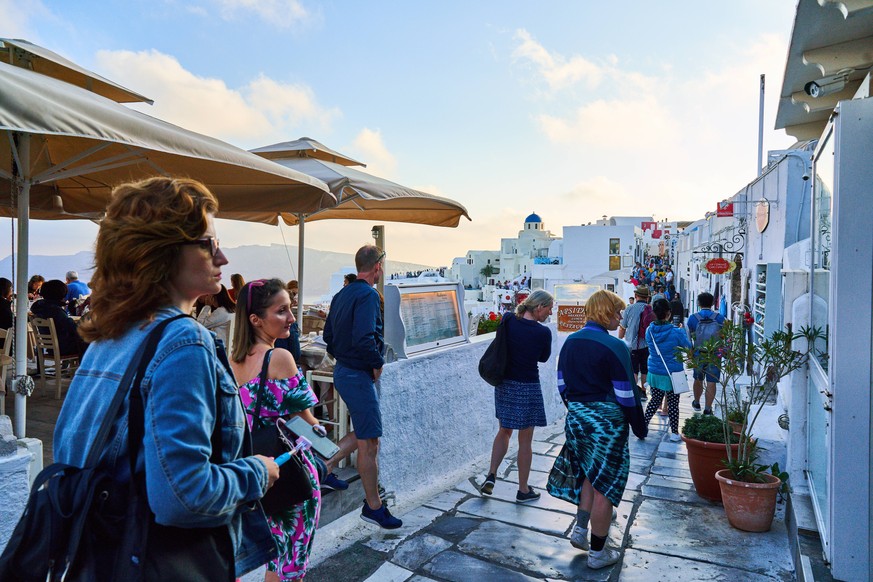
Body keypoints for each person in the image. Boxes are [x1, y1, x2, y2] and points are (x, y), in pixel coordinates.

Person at [53, 177, 278, 580]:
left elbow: (71, 453)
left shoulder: (112, 335)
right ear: (163, 252)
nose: (223, 258)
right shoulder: (184, 341)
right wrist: (258, 472)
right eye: (209, 244)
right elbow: (184, 495)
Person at [231, 278, 326, 581]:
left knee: (276, 559)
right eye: (282, 311)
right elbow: (308, 423)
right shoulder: (279, 358)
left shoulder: (231, 362)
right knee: (290, 567)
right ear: (256, 319)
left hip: (255, 474)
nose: (292, 318)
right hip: (290, 476)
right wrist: (326, 443)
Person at [548, 290, 647, 569]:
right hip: (606, 421)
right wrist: (639, 426)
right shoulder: (615, 347)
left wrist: (579, 411)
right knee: (606, 484)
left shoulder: (570, 342)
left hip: (577, 417)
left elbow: (562, 384)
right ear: (606, 313)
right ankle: (598, 553)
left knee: (590, 474)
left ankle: (580, 530)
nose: (620, 317)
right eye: (617, 313)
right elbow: (626, 394)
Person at [323, 245, 402, 529]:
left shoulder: (341, 294)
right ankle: (373, 506)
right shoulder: (368, 295)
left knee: (366, 432)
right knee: (371, 443)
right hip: (358, 374)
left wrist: (344, 357)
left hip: (343, 371)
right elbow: (364, 337)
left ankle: (325, 464)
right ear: (378, 266)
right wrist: (376, 363)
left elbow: (327, 335)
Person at [480, 290, 554, 503]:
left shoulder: (509, 320)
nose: (550, 312)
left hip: (505, 384)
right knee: (525, 440)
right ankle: (523, 489)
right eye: (549, 308)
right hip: (528, 386)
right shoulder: (542, 333)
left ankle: (492, 475)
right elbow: (544, 357)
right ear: (539, 307)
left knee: (504, 431)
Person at [643, 299, 691, 442]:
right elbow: (688, 346)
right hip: (673, 373)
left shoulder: (649, 330)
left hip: (655, 371)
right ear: (669, 313)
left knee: (654, 401)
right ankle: (675, 433)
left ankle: (643, 426)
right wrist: (682, 331)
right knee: (673, 403)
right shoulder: (676, 332)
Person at [686, 291, 726, 415]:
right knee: (712, 381)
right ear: (713, 303)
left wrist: (689, 353)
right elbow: (725, 336)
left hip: (699, 353)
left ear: (698, 303)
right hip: (714, 353)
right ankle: (708, 408)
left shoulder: (693, 318)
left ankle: (697, 402)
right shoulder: (719, 318)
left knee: (697, 378)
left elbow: (688, 338)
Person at [30, 279, 88, 357]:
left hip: (50, 348)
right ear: (61, 294)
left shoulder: (40, 308)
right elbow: (74, 329)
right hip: (63, 347)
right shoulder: (56, 311)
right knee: (91, 343)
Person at [617, 285, 653, 399]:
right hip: (646, 345)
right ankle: (643, 391)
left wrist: (620, 340)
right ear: (647, 298)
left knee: (633, 369)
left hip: (631, 345)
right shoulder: (650, 309)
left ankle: (633, 390)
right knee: (644, 369)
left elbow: (622, 327)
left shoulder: (629, 309)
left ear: (636, 296)